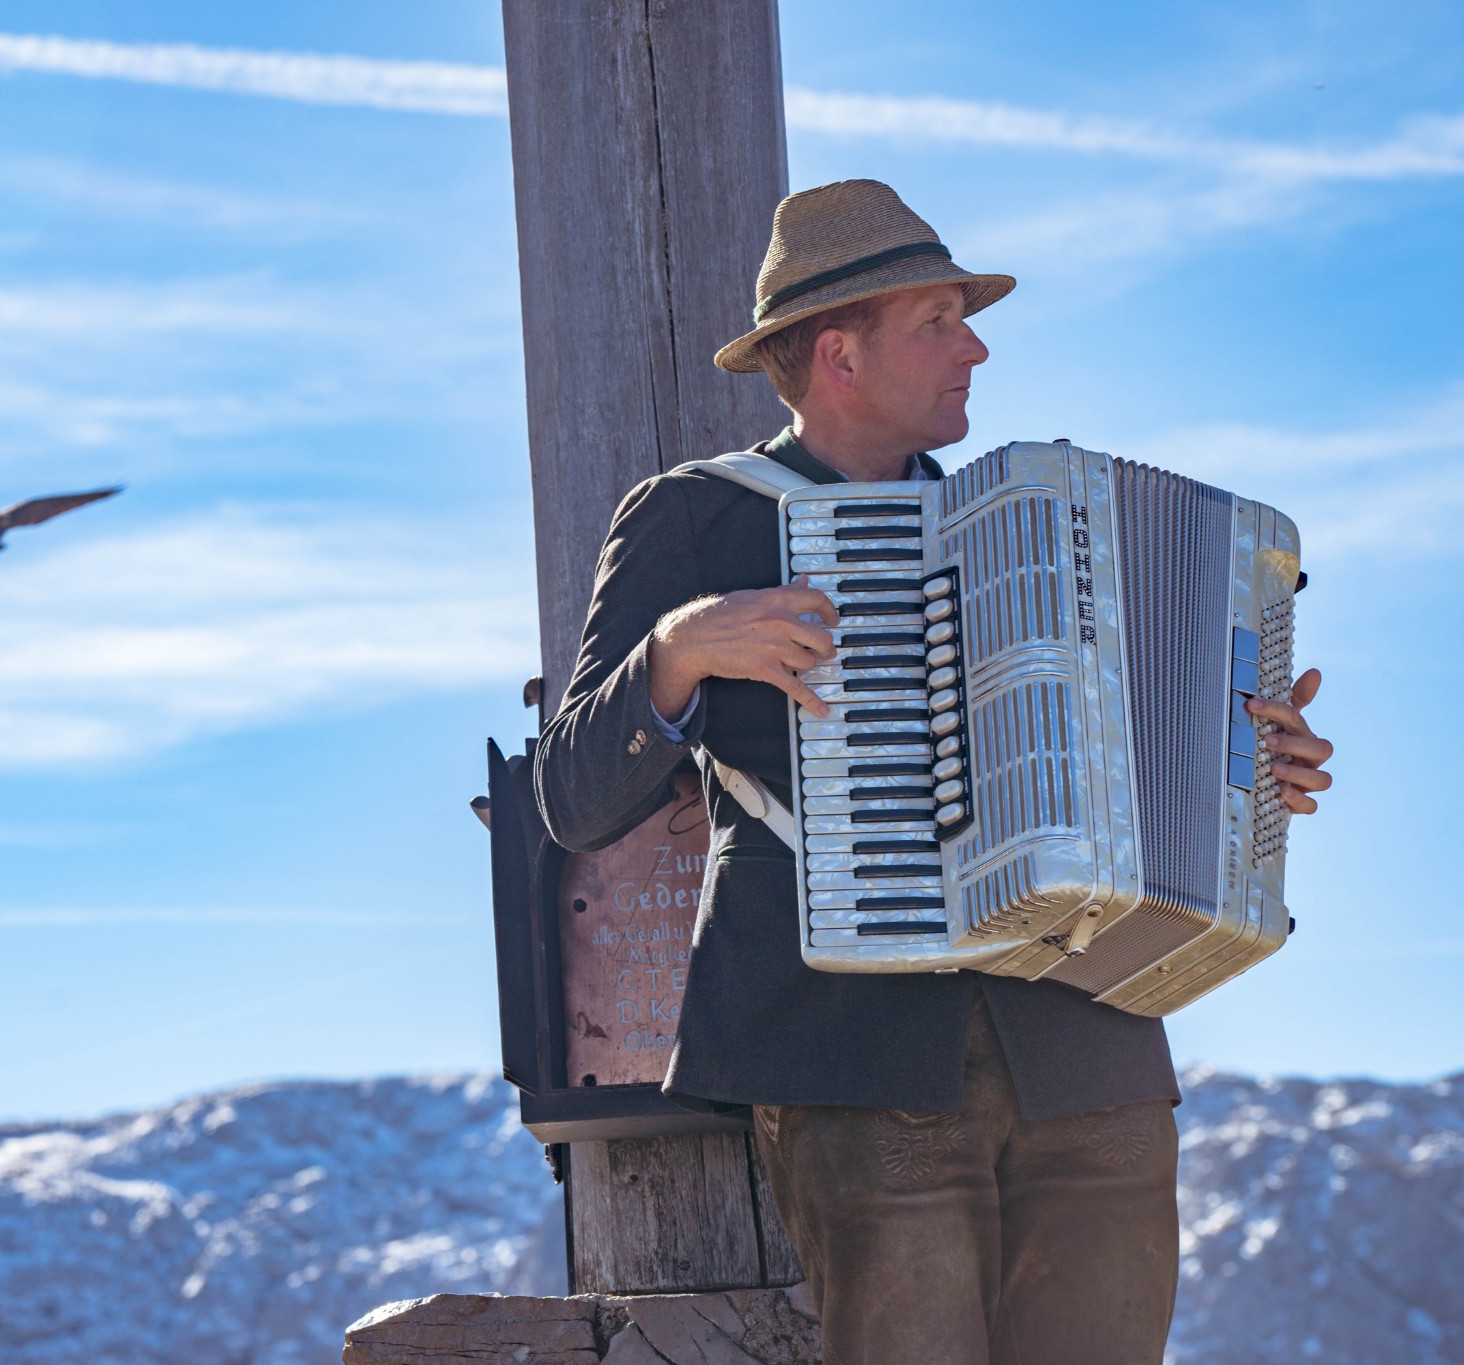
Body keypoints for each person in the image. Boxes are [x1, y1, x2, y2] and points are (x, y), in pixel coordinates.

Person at [533, 179, 1336, 1365]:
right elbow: (571, 797)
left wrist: (1256, 768)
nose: (974, 348)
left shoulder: (1045, 525)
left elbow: (1149, 752)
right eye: (937, 321)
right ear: (838, 352)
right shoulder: (695, 519)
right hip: (855, 1055)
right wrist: (676, 652)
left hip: (1085, 1044)